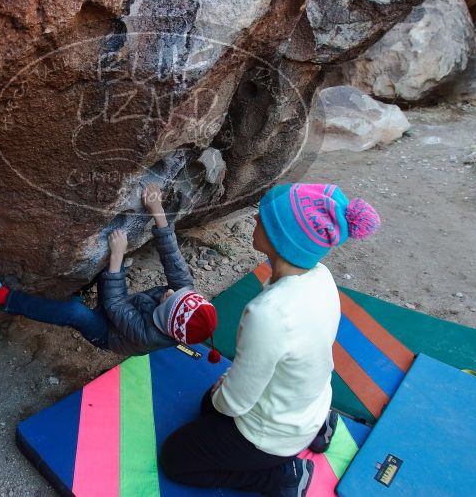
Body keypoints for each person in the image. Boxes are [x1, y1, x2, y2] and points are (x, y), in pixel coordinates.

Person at [159, 183, 381, 497]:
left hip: (273, 436)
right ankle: (317, 429)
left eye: (263, 219)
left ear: (281, 238)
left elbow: (235, 403)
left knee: (177, 456)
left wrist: (220, 391)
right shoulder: (320, 276)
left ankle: (282, 478)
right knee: (208, 408)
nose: (255, 220)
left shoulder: (269, 314)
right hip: (311, 406)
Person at [0, 183, 220, 358]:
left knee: (75, 312)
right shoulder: (182, 294)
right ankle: (75, 287)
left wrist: (119, 255)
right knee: (108, 263)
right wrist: (158, 212)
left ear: (165, 321)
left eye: (169, 299)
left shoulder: (147, 335)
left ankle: (1, 298)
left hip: (106, 332)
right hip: (121, 309)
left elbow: (115, 305)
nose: (169, 292)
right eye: (178, 292)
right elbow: (172, 257)